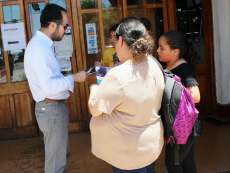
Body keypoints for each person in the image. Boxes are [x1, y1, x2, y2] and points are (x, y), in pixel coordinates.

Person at [88, 18, 165, 173]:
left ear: (121, 40)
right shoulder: (154, 64)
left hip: (128, 151)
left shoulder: (119, 75)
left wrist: (94, 89)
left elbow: (95, 109)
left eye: (115, 42)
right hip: (149, 143)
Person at [24, 4, 88, 173]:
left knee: (60, 156)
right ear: (53, 25)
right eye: (65, 26)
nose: (66, 30)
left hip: (54, 107)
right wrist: (74, 78)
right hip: (51, 107)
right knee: (56, 163)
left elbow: (52, 78)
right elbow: (48, 86)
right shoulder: (39, 49)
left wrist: (72, 76)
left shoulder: (45, 45)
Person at [157, 30, 201, 173]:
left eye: (162, 48)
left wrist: (173, 92)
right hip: (183, 125)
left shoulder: (183, 68)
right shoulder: (169, 66)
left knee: (173, 163)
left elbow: (196, 96)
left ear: (175, 51)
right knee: (187, 163)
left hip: (185, 125)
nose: (158, 51)